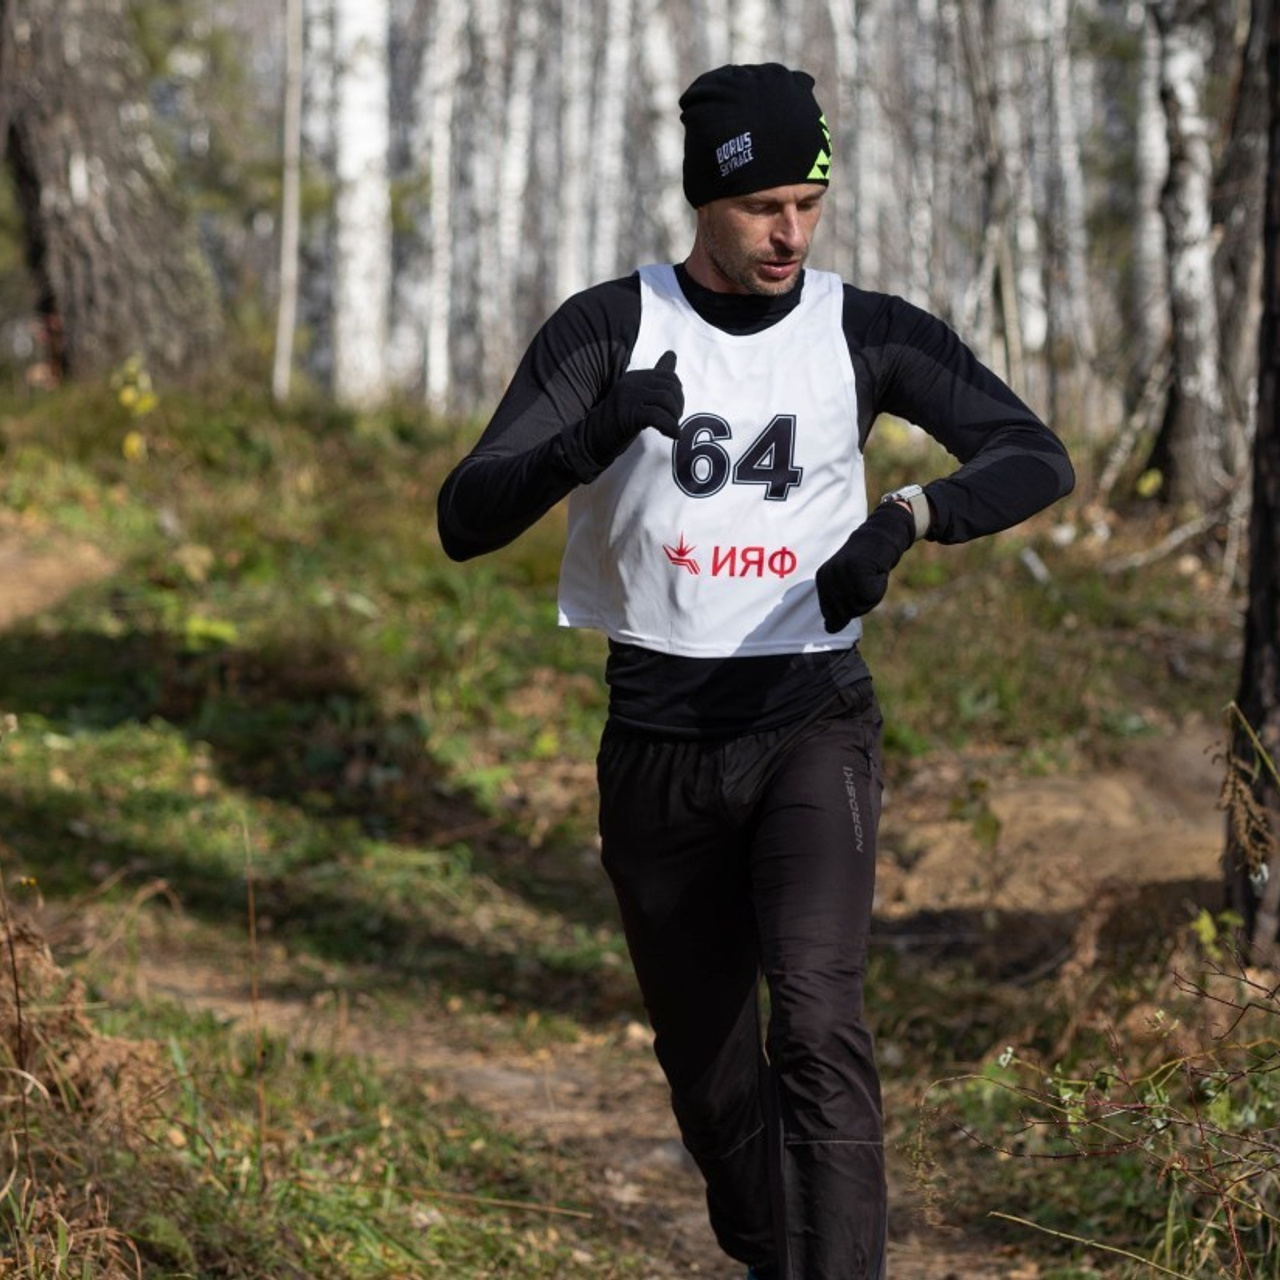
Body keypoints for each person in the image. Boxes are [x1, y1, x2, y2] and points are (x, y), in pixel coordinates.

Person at [437, 62, 1074, 1280]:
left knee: (820, 1023)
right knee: (714, 1083)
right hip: (657, 743)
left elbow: (1030, 453)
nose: (790, 232)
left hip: (809, 720)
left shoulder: (865, 327)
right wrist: (594, 428)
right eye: (762, 205)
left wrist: (906, 519)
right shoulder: (605, 328)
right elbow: (464, 515)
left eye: (808, 201)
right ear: (704, 201)